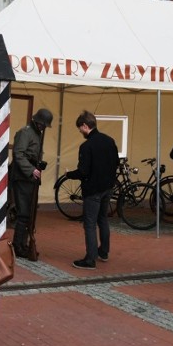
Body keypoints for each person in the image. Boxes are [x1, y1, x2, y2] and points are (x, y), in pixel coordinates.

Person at [67, 110, 119, 269]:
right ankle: (103, 251)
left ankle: (90, 259)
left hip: (93, 190)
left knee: (89, 224)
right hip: (107, 187)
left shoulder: (86, 145)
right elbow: (116, 162)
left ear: (85, 126)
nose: (80, 131)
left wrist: (69, 174)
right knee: (102, 219)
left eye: (80, 128)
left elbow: (83, 171)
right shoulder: (109, 141)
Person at [11, 108, 53, 260]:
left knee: (29, 213)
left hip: (30, 177)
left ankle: (23, 244)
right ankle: (18, 246)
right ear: (37, 121)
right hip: (23, 177)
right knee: (23, 214)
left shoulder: (36, 133)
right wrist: (31, 169)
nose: (43, 127)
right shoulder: (25, 132)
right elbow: (18, 154)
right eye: (42, 124)